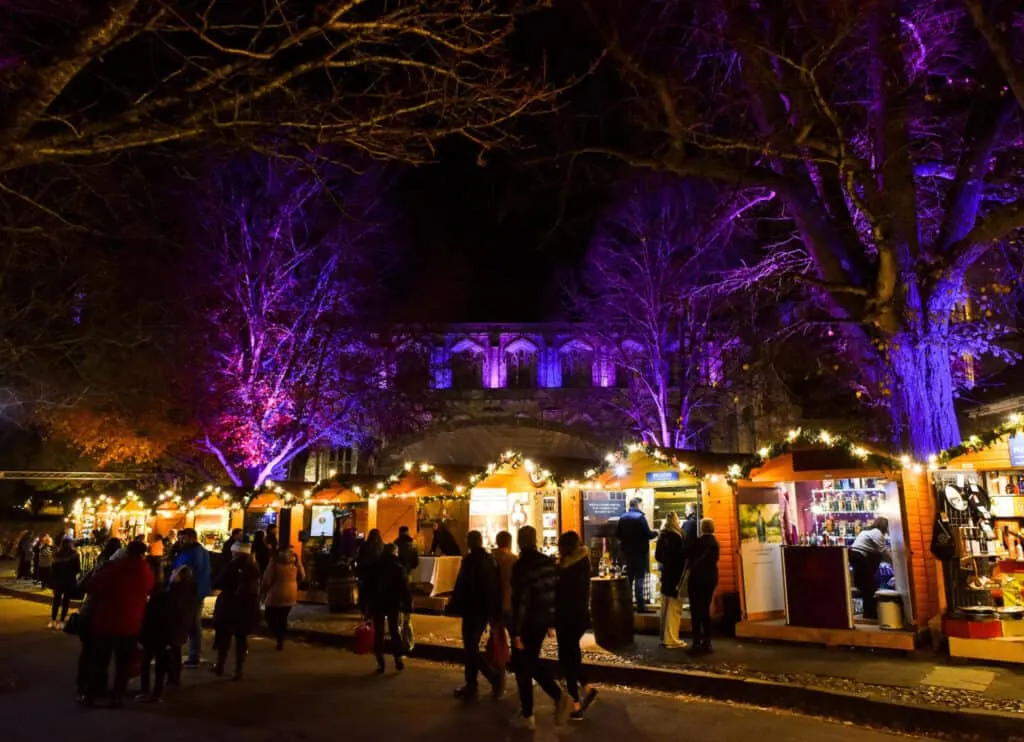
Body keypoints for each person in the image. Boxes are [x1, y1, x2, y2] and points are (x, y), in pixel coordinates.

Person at [509, 525, 571, 730]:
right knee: (529, 661)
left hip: (527, 622)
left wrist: (516, 632)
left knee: (524, 665)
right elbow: (555, 593)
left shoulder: (521, 566)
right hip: (542, 620)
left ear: (520, 541)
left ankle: (535, 710)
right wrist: (551, 622)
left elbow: (522, 601)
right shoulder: (547, 562)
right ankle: (529, 712)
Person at [82, 540, 154, 707]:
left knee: (99, 661)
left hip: (106, 621)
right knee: (123, 664)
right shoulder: (146, 572)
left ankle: (92, 695)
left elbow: (90, 586)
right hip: (131, 623)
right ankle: (117, 696)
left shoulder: (113, 569)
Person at [449, 530, 501, 700]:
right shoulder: (490, 560)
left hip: (472, 609)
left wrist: (454, 604)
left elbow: (464, 585)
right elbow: (494, 585)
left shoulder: (470, 561)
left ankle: (489, 677)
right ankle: (472, 683)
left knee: (470, 646)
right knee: (472, 645)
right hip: (484, 609)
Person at [556, 531, 598, 720]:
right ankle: (587, 689)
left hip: (567, 616)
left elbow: (560, 594)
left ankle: (575, 704)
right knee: (571, 655)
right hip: (579, 616)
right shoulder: (583, 562)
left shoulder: (566, 567)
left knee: (567, 659)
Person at [138, 565, 197, 702]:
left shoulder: (169, 595)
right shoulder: (188, 593)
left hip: (161, 634)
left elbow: (156, 616)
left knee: (148, 661)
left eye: (174, 573)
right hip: (173, 634)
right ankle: (164, 686)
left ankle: (146, 690)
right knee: (164, 661)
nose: (171, 574)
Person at [75, 537, 122, 701]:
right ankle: (91, 689)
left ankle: (84, 686)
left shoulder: (99, 565)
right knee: (99, 654)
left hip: (88, 613)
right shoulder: (110, 570)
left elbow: (84, 586)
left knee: (89, 653)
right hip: (97, 616)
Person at [211, 540, 262, 680]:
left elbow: (219, 582)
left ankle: (220, 665)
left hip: (229, 605)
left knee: (224, 637)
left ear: (236, 551)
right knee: (241, 639)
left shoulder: (231, 566)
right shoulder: (254, 566)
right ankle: (238, 670)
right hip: (247, 607)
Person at [363, 543, 411, 673]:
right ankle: (398, 658)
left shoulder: (374, 566)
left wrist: (365, 606)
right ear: (395, 552)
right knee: (394, 631)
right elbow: (404, 589)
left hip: (377, 603)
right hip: (392, 603)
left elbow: (366, 587)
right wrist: (408, 605)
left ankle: (380, 662)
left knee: (379, 633)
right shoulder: (398, 567)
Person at [171, 528, 212, 668]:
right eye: (180, 538)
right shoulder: (192, 551)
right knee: (191, 622)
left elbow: (191, 572)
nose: (180, 541)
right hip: (191, 591)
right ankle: (193, 652)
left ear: (192, 538)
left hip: (192, 592)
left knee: (193, 623)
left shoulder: (194, 553)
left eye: (183, 538)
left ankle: (195, 654)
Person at [616, 497, 656, 612]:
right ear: (638, 505)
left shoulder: (622, 517)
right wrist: (656, 533)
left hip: (627, 553)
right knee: (640, 579)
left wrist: (626, 541)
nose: (643, 507)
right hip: (640, 553)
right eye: (642, 505)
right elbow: (648, 534)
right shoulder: (640, 517)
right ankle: (640, 606)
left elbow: (617, 534)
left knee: (629, 579)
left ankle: (627, 604)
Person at [261, 546, 306, 650]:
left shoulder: (275, 564)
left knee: (269, 616)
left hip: (275, 594)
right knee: (283, 617)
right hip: (291, 594)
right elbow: (303, 576)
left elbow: (267, 580)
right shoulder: (295, 565)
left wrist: (262, 591)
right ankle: (281, 639)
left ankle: (278, 636)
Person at [687, 518, 720, 654]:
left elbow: (689, 556)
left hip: (696, 579)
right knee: (705, 609)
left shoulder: (698, 542)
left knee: (695, 610)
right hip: (710, 578)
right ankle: (707, 641)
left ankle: (696, 641)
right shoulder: (715, 543)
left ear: (702, 528)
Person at [655, 513, 687, 649]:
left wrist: (666, 562)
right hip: (675, 575)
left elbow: (657, 556)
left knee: (665, 607)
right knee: (674, 609)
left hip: (666, 574)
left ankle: (664, 637)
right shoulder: (677, 537)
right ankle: (671, 639)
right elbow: (680, 558)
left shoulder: (662, 535)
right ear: (675, 521)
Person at [850, 517, 891, 620]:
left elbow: (877, 553)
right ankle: (870, 615)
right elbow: (883, 551)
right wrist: (894, 561)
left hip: (854, 555)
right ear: (884, 526)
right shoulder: (877, 533)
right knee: (869, 587)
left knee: (866, 586)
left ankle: (868, 614)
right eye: (887, 527)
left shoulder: (867, 531)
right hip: (859, 556)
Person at [50, 537, 81, 630]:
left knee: (56, 600)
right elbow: (77, 569)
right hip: (69, 580)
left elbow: (53, 569)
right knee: (66, 601)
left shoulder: (57, 555)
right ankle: (62, 621)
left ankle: (53, 620)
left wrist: (53, 580)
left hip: (58, 581)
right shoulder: (75, 555)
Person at [493, 530, 517, 627]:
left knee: (497, 633)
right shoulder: (514, 559)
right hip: (509, 601)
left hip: (494, 601)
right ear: (509, 542)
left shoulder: (490, 558)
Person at [357, 529, 385, 603]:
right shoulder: (382, 546)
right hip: (377, 571)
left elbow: (359, 558)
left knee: (365, 589)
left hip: (365, 570)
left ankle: (364, 604)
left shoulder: (364, 545)